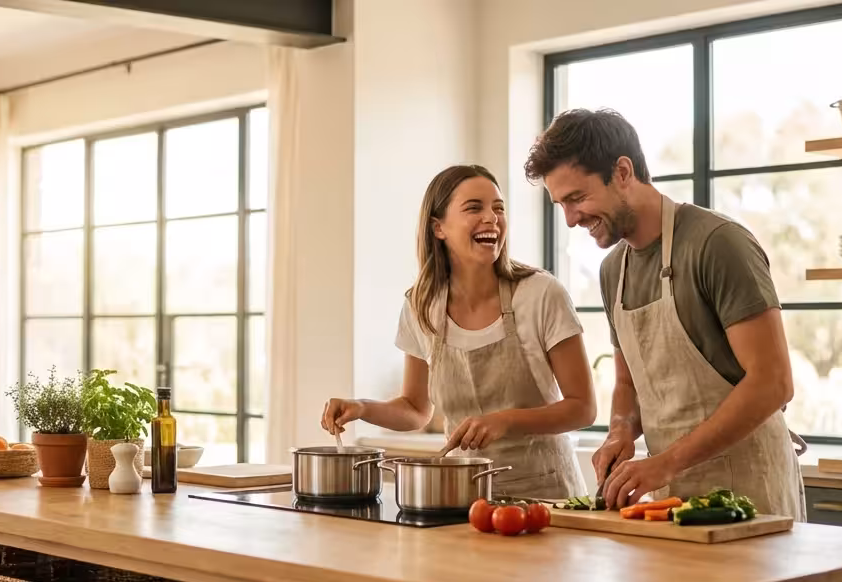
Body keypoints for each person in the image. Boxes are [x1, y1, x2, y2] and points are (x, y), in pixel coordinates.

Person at [524, 108, 805, 519]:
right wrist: (621, 428)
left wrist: (667, 462)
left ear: (622, 171)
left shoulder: (718, 245)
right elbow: (628, 382)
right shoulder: (613, 271)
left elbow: (773, 383)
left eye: (577, 198)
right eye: (560, 204)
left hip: (750, 495)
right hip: (670, 499)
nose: (569, 219)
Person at [321, 165, 592, 499]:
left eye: (498, 207)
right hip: (464, 500)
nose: (492, 217)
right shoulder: (421, 306)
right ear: (438, 228)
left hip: (546, 498)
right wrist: (361, 407)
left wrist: (504, 421)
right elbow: (415, 409)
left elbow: (583, 407)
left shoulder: (541, 294)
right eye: (474, 207)